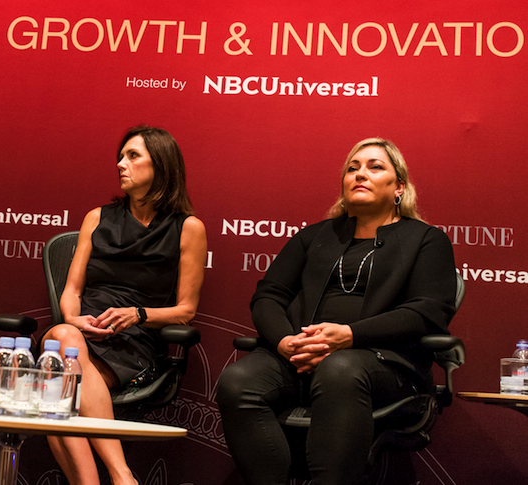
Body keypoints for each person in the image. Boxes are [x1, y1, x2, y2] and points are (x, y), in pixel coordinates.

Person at [216, 138, 458, 485]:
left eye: (375, 167)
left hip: (385, 365)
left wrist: (348, 336)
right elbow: (268, 296)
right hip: (299, 357)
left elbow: (426, 312)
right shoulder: (314, 237)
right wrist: (285, 342)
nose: (360, 174)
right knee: (238, 381)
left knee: (339, 368)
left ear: (399, 187)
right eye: (352, 168)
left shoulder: (426, 240)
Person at [42, 125, 207, 485]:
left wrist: (137, 315)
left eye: (133, 156)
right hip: (84, 332)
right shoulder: (97, 218)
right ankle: (121, 476)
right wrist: (74, 318)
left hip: (135, 340)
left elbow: (185, 311)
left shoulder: (188, 228)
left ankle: (110, 478)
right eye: (121, 156)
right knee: (64, 338)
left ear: (160, 165)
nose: (120, 164)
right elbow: (72, 290)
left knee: (58, 392)